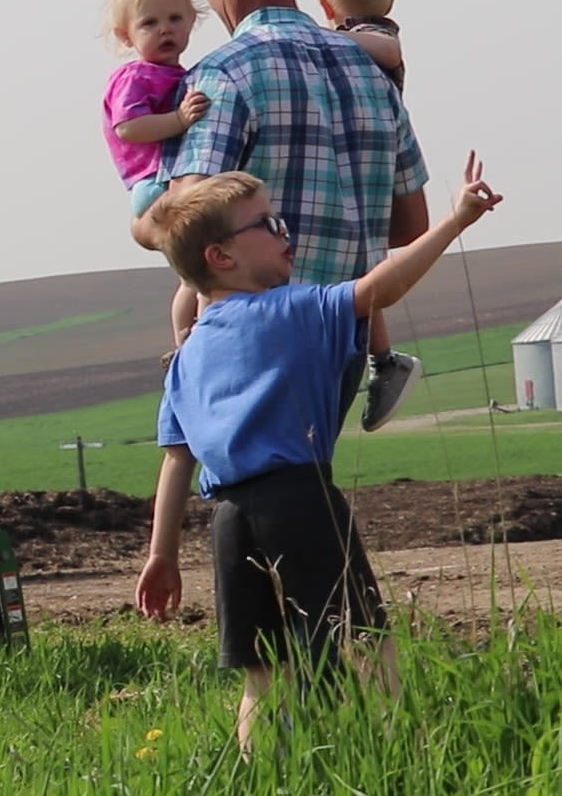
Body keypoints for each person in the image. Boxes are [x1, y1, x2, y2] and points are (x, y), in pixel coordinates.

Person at [134, 154, 504, 757]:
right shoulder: (289, 309)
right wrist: (456, 220)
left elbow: (177, 461)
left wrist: (161, 555)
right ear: (220, 257)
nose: (286, 234)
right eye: (267, 225)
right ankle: (388, 761)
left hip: (229, 522)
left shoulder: (187, 356)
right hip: (299, 503)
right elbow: (384, 286)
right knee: (365, 645)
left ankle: (268, 776)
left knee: (263, 676)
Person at [133, 0, 431, 433]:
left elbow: (187, 219)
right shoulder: (371, 72)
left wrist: (142, 224)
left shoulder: (223, 74)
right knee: (305, 492)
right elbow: (411, 225)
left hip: (254, 341)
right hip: (340, 335)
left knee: (254, 501)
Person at [101, 0, 211, 351]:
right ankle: (191, 335)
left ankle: (190, 336)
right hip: (155, 183)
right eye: (149, 23)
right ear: (126, 35)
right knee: (202, 269)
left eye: (175, 18)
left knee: (196, 271)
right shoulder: (136, 77)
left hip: (167, 179)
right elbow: (129, 127)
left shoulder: (176, 74)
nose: (165, 28)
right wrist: (179, 120)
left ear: (192, 22)